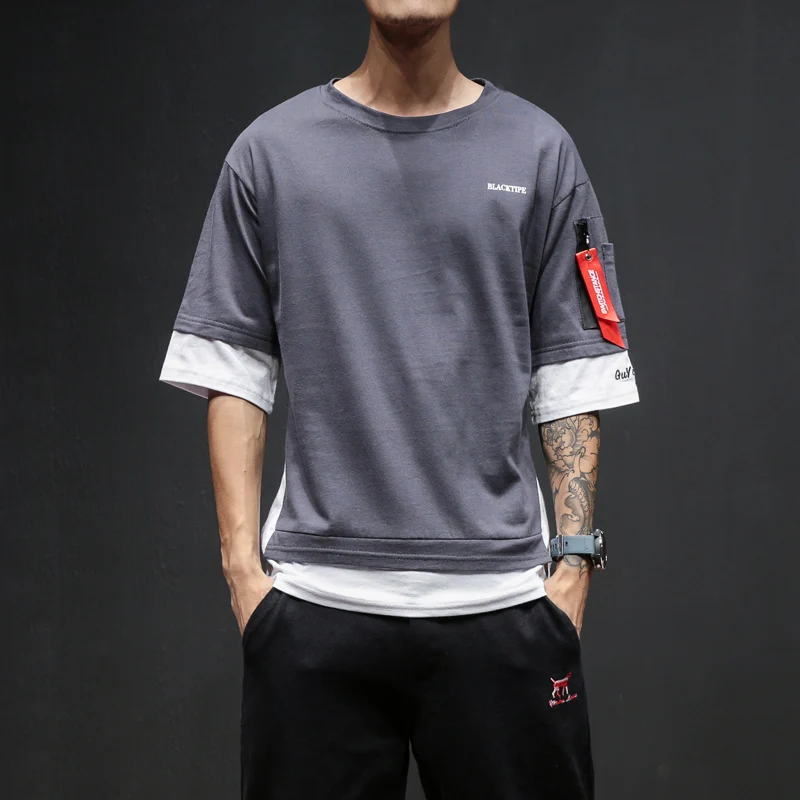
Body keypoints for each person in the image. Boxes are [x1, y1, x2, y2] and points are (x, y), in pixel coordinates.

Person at [159, 1, 640, 798]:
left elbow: (573, 373)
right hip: (315, 609)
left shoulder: (540, 150)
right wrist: (244, 576)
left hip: (503, 607)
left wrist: (574, 570)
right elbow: (233, 369)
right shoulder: (270, 154)